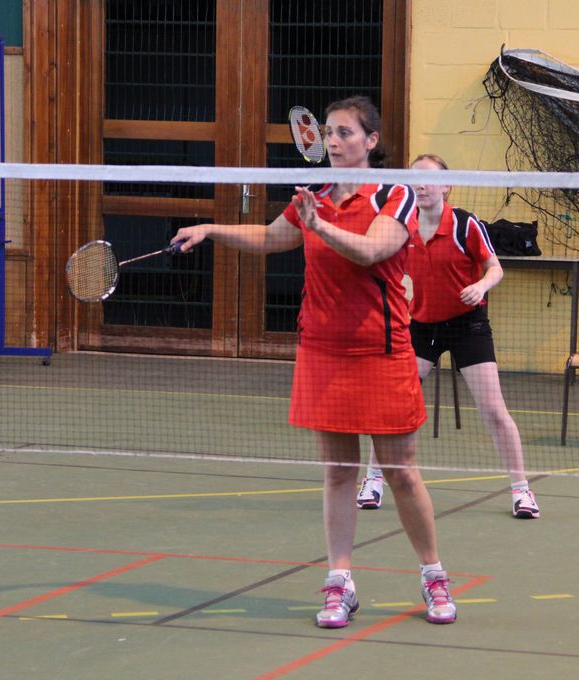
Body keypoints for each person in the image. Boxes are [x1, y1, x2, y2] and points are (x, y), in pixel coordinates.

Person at [172, 97, 456, 627]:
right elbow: (271, 237)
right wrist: (211, 230)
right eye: (329, 132)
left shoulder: (395, 195)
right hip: (323, 350)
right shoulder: (316, 196)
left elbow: (373, 250)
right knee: (339, 472)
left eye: (345, 132)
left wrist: (319, 226)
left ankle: (433, 576)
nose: (333, 141)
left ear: (371, 141)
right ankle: (339, 582)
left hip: (381, 350)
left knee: (400, 471)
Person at [356, 153, 540, 519]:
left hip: (467, 324)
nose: (420, 185)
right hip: (421, 326)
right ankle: (373, 478)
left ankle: (522, 490)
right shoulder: (399, 226)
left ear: (446, 185)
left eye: (428, 179)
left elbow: (495, 268)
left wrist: (481, 285)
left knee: (493, 410)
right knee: (393, 406)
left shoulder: (464, 225)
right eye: (414, 179)